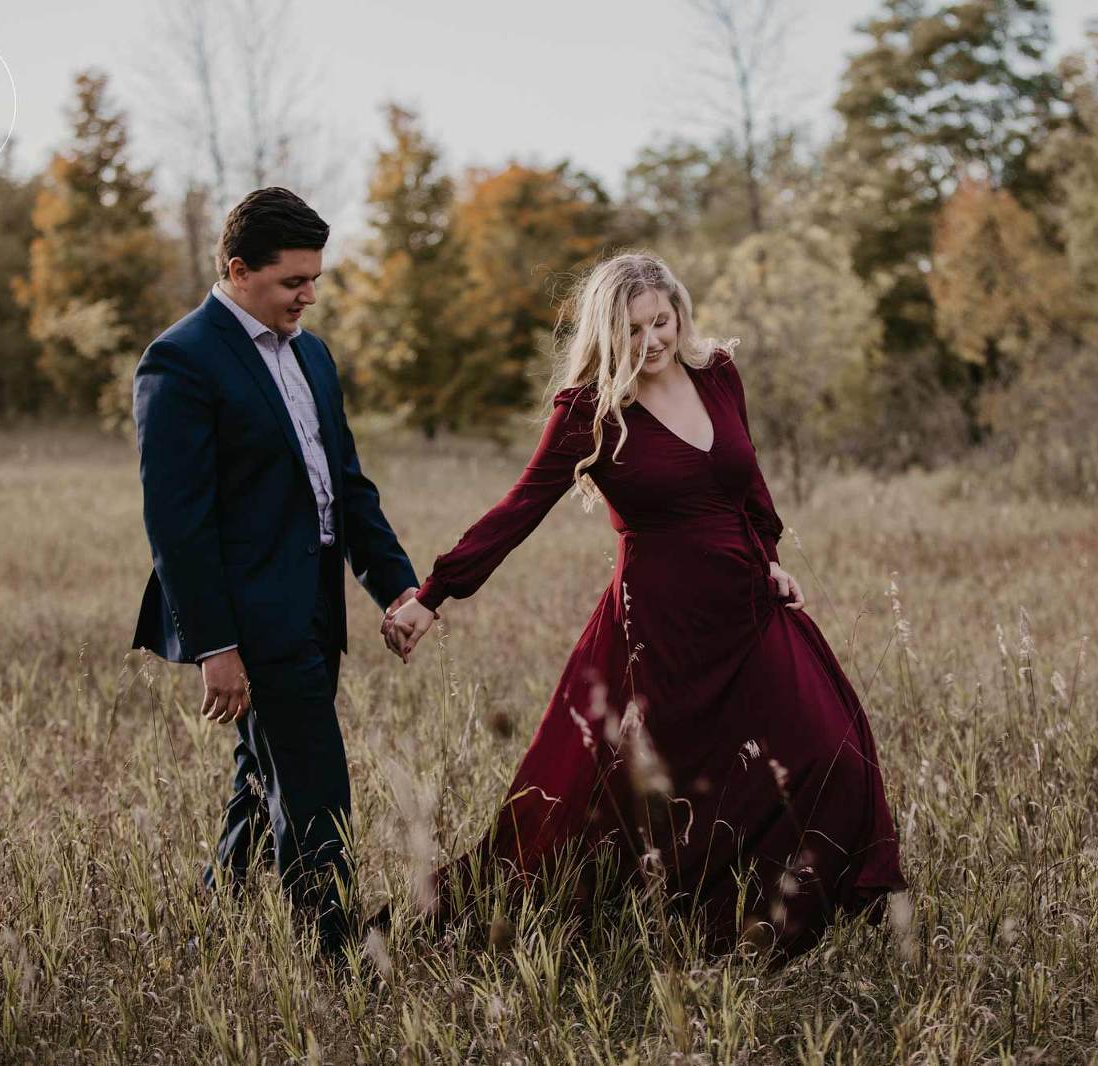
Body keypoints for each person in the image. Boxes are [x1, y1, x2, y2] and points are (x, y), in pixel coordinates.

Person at [386, 252, 904, 960]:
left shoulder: (716, 372)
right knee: (662, 792)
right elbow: (516, 511)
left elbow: (747, 484)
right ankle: (683, 925)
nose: (654, 339)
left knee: (830, 747)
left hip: (749, 605)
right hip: (663, 628)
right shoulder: (589, 412)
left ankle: (817, 907)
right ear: (607, 331)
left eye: (664, 320)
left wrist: (773, 558)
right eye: (635, 329)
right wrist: (434, 594)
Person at [130, 187, 422, 961]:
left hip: (317, 607)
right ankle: (337, 950)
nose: (308, 294)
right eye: (293, 280)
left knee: (265, 775)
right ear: (237, 269)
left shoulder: (314, 356)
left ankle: (216, 907)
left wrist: (396, 585)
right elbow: (178, 525)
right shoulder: (180, 360)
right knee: (316, 779)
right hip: (250, 617)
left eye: (315, 278)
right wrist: (214, 646)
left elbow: (347, 488)